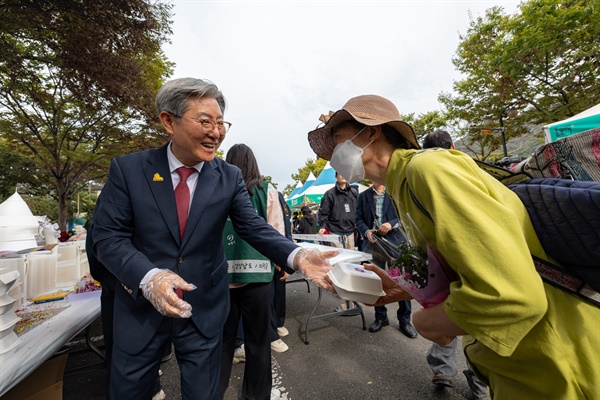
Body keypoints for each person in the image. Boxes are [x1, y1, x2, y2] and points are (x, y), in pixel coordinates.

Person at [307, 94, 599, 399]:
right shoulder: (403, 186)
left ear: (371, 131)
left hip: (556, 364)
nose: (333, 158)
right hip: (521, 365)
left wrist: (428, 321)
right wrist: (402, 286)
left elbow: (510, 295)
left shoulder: (428, 170)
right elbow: (460, 266)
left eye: (339, 141)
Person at [90, 77, 336, 400]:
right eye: (205, 121)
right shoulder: (128, 170)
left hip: (203, 311)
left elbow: (252, 226)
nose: (215, 133)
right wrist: (148, 277)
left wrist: (296, 255)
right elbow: (108, 237)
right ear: (168, 121)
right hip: (140, 312)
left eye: (221, 123)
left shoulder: (228, 176)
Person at [421, 130, 488, 398]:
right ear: (453, 146)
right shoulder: (470, 171)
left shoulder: (421, 177)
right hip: (476, 255)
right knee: (477, 319)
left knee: (443, 309)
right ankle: (480, 380)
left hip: (439, 257)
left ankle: (442, 373)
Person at [219, 143, 289, 400]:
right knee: (258, 342)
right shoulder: (266, 190)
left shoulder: (217, 187)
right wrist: (283, 263)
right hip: (258, 277)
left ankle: (214, 391)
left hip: (221, 278)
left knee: (223, 342)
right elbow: (276, 231)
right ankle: (256, 395)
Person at [355, 182, 417, 339]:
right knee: (377, 280)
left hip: (396, 241)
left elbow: (404, 213)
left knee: (402, 279)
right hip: (373, 242)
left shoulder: (395, 192)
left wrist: (391, 223)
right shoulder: (363, 195)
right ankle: (381, 317)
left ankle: (405, 320)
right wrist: (366, 231)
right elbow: (358, 218)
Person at [317, 172, 358, 249]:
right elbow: (324, 212)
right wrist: (323, 226)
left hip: (350, 231)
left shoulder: (354, 193)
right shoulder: (329, 194)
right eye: (340, 173)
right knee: (337, 257)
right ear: (336, 176)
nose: (343, 175)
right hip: (334, 231)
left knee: (350, 257)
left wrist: (356, 222)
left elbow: (358, 210)